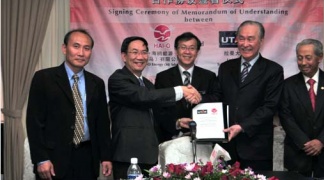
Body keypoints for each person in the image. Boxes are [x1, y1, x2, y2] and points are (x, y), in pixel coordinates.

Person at [108, 36, 201, 179]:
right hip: (128, 157)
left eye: (144, 52)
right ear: (124, 56)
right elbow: (142, 97)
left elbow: (155, 115)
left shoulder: (147, 84)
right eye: (135, 52)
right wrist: (180, 90)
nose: (140, 57)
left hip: (150, 156)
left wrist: (177, 123)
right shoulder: (117, 79)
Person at [26, 29, 112, 180]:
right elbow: (34, 122)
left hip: (87, 157)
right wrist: (41, 158)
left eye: (87, 48)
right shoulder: (44, 78)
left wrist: (105, 157)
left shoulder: (96, 83)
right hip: (53, 159)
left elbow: (102, 124)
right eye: (76, 46)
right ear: (64, 48)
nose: (81, 53)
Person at [217, 20, 284, 171]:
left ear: (261, 41)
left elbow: (270, 107)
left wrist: (242, 126)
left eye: (250, 38)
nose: (245, 43)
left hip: (256, 148)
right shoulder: (226, 68)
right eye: (241, 38)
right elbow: (218, 97)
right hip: (227, 147)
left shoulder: (273, 70)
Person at [279, 39, 324, 178]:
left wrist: (321, 141)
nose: (303, 62)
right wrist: (305, 143)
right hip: (298, 153)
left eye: (308, 58)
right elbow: (285, 116)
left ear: (320, 57)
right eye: (300, 58)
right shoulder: (287, 85)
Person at [155, 32, 218, 143]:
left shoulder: (209, 76)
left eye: (192, 48)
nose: (187, 52)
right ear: (176, 51)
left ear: (197, 52)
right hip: (171, 138)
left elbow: (216, 101)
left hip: (202, 139)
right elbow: (158, 109)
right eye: (183, 47)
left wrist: (200, 99)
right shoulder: (163, 77)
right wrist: (177, 122)